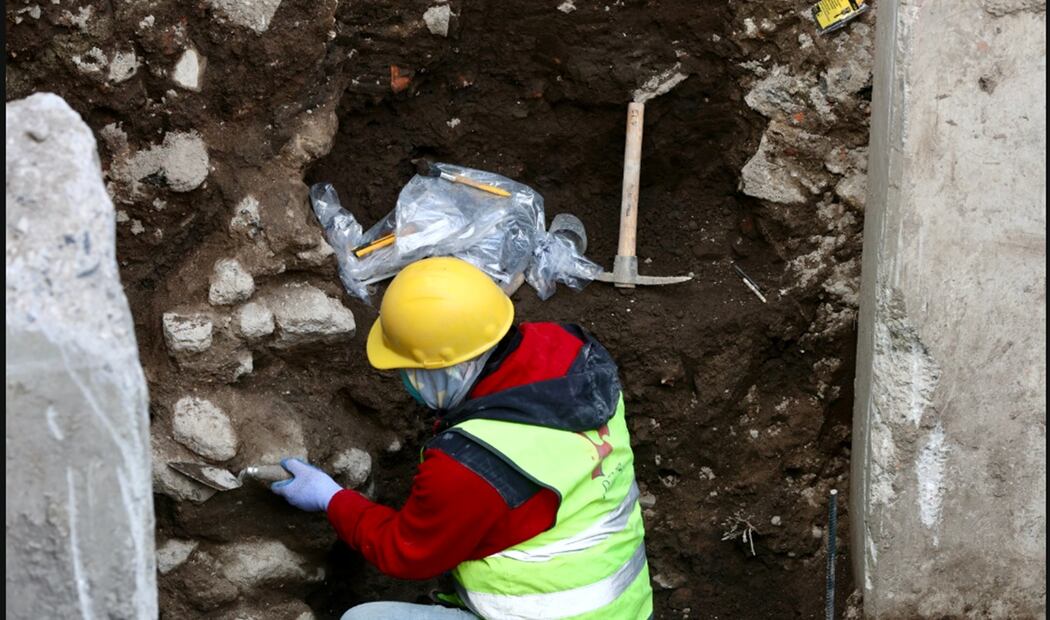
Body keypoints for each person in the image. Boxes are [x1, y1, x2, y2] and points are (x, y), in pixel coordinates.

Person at [272, 257, 653, 619]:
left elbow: (406, 553)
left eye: (410, 369)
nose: (406, 381)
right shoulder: (575, 358)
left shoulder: (470, 464)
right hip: (626, 607)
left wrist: (331, 498)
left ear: (450, 370)